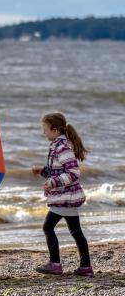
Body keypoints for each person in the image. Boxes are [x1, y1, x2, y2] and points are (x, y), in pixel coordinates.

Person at [32, 112, 93, 277]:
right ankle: (85, 267)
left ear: (55, 129)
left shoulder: (62, 147)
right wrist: (44, 172)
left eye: (45, 129)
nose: (43, 132)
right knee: (75, 231)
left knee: (48, 227)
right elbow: (58, 170)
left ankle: (55, 264)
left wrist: (52, 182)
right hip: (67, 196)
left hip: (65, 197)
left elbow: (73, 173)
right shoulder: (58, 145)